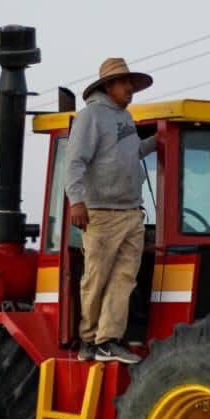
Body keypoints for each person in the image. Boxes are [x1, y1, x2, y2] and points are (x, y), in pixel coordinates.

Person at [63, 56, 157, 365]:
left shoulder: (126, 118)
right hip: (101, 212)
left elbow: (132, 154)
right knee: (97, 277)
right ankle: (88, 340)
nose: (130, 88)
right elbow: (74, 161)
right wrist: (76, 201)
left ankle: (108, 340)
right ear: (109, 85)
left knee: (125, 278)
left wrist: (158, 142)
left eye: (131, 83)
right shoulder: (90, 117)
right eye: (125, 83)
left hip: (132, 211)